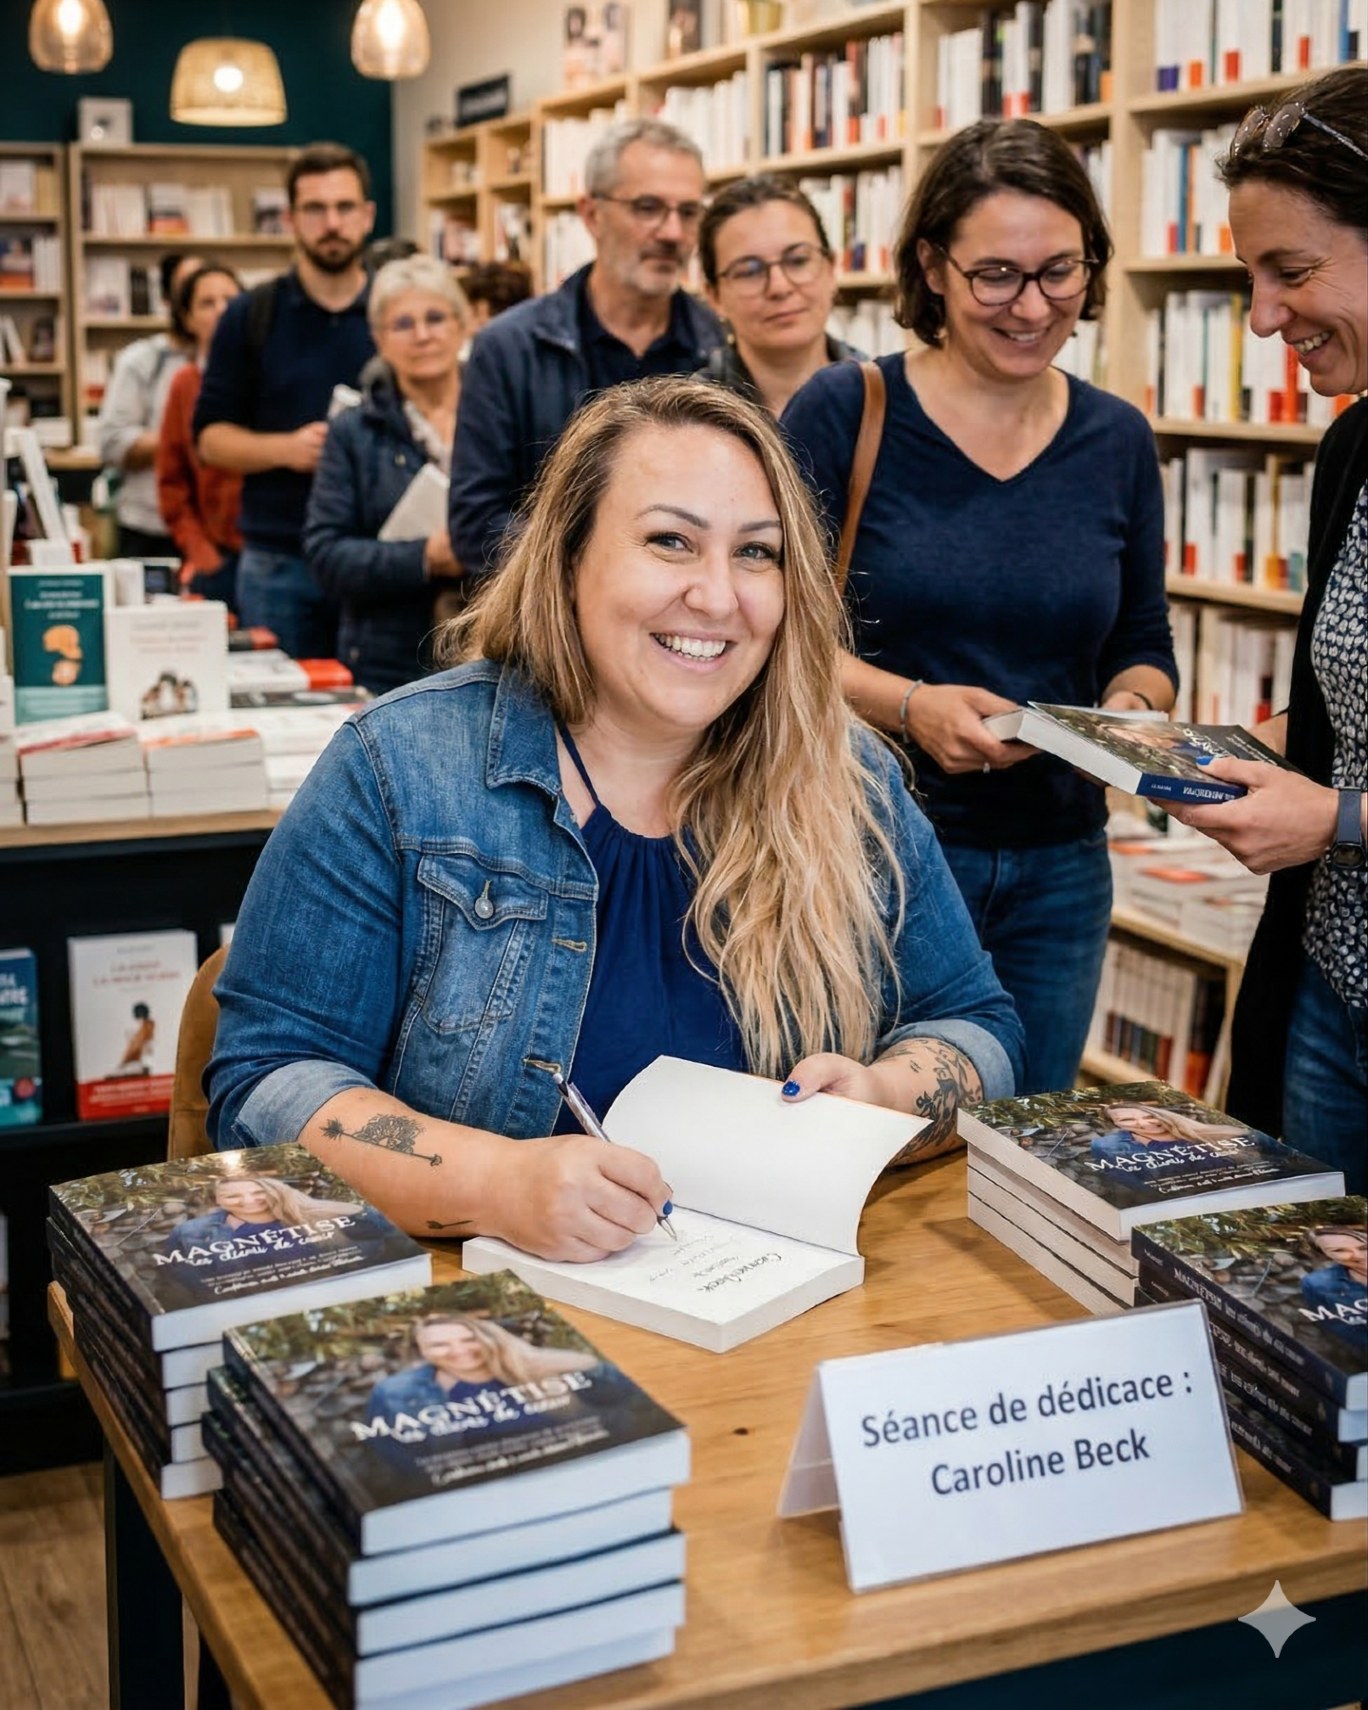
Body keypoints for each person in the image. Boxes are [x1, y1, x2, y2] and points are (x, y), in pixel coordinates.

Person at [207, 376, 1024, 1262]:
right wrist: (494, 1184)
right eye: (670, 542)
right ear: (566, 557)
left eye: (758, 553)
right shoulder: (399, 767)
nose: (718, 597)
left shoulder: (846, 775)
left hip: (773, 1313)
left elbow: (977, 1027)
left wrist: (883, 1095)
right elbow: (269, 1081)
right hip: (486, 1330)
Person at [782, 120, 1176, 1095]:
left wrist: (1128, 718)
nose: (1032, 306)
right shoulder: (847, 411)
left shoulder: (1116, 437)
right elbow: (769, 635)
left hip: (1063, 865)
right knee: (868, 1143)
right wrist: (912, 707)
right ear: (933, 266)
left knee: (1030, 1160)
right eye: (997, 274)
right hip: (875, 852)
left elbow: (1142, 640)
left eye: (1061, 273)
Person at [1165, 67, 1367, 1193]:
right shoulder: (1351, 450)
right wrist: (1250, 760)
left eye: (1292, 271)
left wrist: (1334, 815)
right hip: (1331, 993)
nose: (1262, 317)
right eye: (1252, 276)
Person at [449, 117, 723, 577]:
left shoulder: (720, 347)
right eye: (648, 207)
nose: (673, 232)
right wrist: (611, 567)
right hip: (547, 633)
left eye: (689, 212)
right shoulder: (509, 348)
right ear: (592, 215)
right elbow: (476, 526)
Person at [194, 143, 378, 659]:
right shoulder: (251, 315)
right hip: (278, 562)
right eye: (315, 209)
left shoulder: (397, 312)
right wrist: (288, 449)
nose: (332, 223)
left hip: (379, 564)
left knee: (393, 730)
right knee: (284, 732)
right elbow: (209, 440)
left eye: (344, 208)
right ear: (292, 219)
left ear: (367, 216)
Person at [303, 256, 470, 695]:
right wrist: (425, 556)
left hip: (501, 648)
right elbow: (327, 555)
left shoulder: (502, 416)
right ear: (379, 339)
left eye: (435, 317)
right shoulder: (353, 431)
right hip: (388, 661)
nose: (422, 334)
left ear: (461, 325)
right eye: (403, 324)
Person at [698, 174, 856, 418]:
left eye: (798, 260)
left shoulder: (888, 397)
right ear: (714, 296)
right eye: (749, 271)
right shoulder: (690, 418)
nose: (779, 287)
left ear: (830, 269)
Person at [96, 250, 201, 558]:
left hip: (215, 531)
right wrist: (183, 438)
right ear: (169, 301)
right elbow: (112, 443)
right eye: (187, 290)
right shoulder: (142, 362)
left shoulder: (237, 363)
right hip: (150, 529)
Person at [155, 262, 244, 608]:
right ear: (188, 319)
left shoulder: (267, 375)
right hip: (216, 557)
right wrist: (199, 550)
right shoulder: (185, 384)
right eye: (207, 303)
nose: (222, 310)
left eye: (230, 300)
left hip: (273, 553)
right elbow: (171, 481)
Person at [365, 1311, 598, 1426]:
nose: (458, 1351)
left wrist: (523, 1354)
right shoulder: (399, 1392)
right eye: (439, 1345)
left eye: (468, 1339)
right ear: (423, 1351)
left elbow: (594, 1369)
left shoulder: (526, 1367)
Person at [1299, 1226, 1367, 1347]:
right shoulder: (1317, 1283)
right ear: (1326, 1255)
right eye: (1339, 1250)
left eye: (1364, 1247)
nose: (1359, 1256)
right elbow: (1335, 1326)